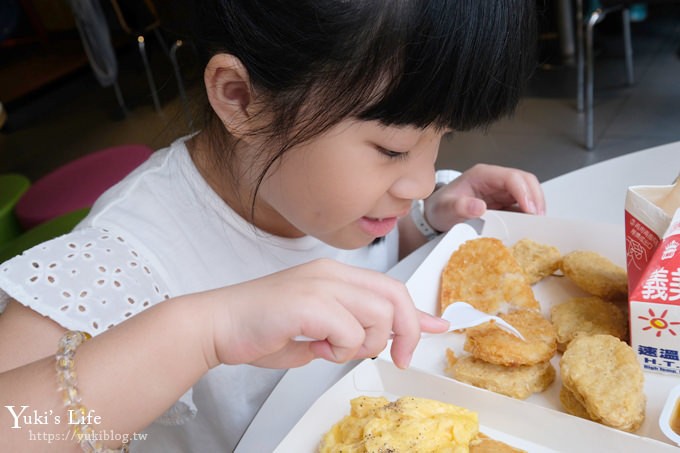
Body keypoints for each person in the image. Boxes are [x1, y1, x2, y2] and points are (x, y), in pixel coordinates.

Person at [0, 1, 543, 451]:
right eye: (393, 148)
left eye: (442, 138)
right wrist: (204, 333)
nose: (421, 180)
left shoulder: (332, 201)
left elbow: (371, 263)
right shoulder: (122, 262)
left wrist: (425, 220)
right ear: (240, 99)